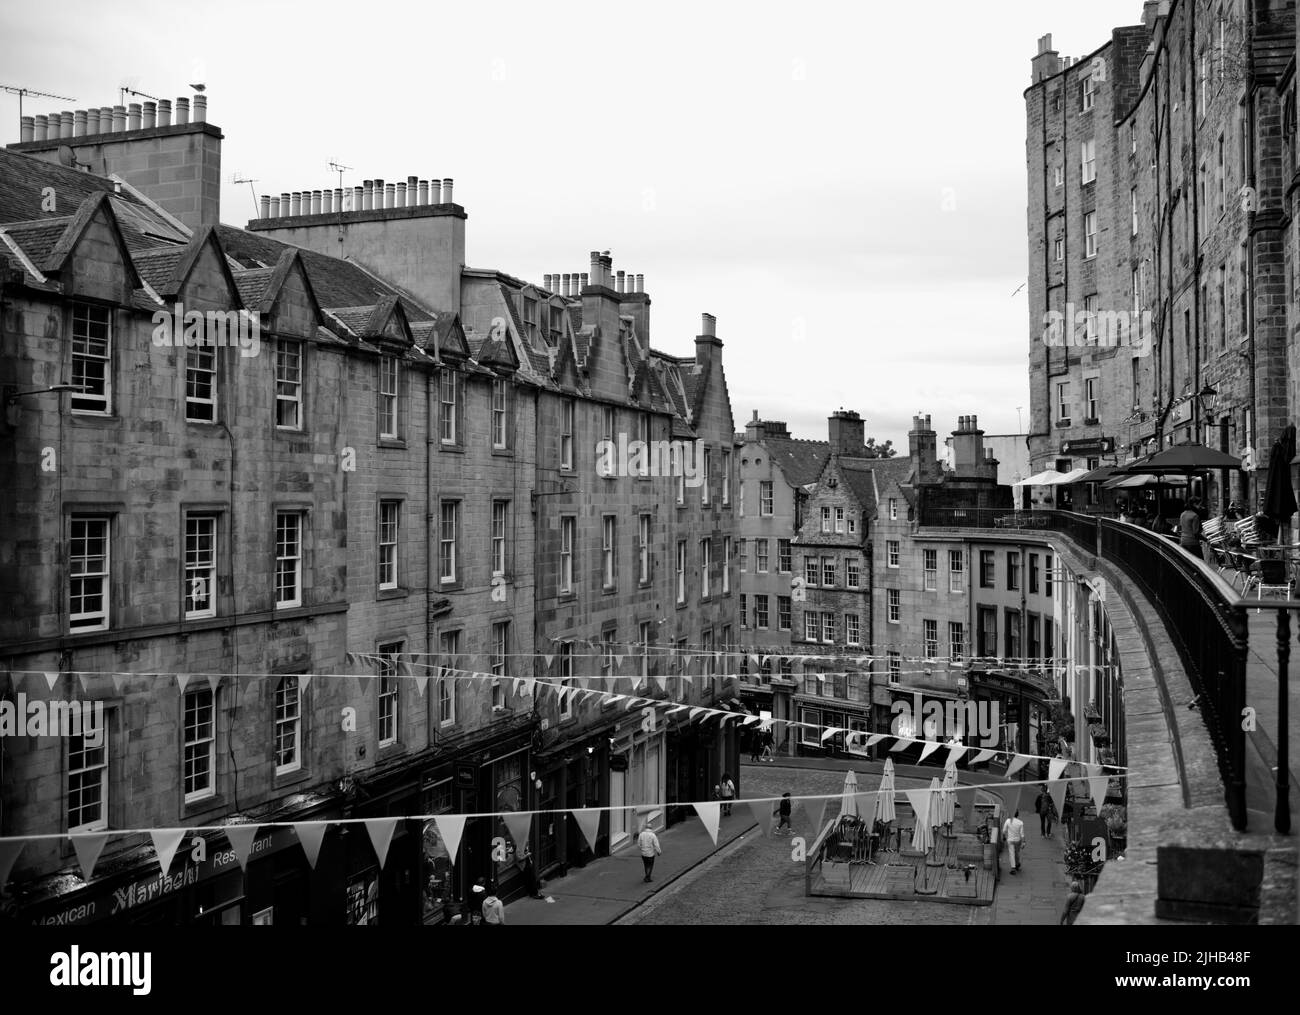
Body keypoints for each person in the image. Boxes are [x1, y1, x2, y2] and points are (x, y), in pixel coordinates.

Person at [1179, 497, 1206, 561]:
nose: (1200, 507)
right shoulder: (1195, 516)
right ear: (1194, 504)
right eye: (1199, 504)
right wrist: (1206, 540)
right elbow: (1195, 533)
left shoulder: (1182, 514)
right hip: (1193, 543)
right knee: (1201, 563)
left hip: (1183, 541)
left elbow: (1181, 527)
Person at [1001, 809, 1026, 874]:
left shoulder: (1008, 821)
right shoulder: (1020, 822)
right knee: (1017, 853)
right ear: (1017, 814)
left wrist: (1004, 837)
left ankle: (1013, 868)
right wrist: (1024, 842)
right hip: (1018, 840)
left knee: (1011, 853)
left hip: (1010, 840)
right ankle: (1017, 863)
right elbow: (1022, 834)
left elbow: (1004, 831)